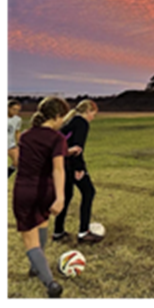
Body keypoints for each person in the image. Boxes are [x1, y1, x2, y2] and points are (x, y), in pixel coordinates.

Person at [13, 97, 70, 299]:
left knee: (30, 239)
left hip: (25, 191)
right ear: (56, 116)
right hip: (46, 191)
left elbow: (28, 160)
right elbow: (58, 169)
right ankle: (36, 268)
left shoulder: (26, 136)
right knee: (42, 224)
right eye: (62, 117)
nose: (63, 121)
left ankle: (50, 284)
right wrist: (60, 197)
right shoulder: (57, 138)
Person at [53, 100, 103, 244]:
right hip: (71, 164)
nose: (93, 117)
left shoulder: (70, 121)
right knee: (89, 192)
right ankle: (83, 232)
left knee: (67, 196)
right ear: (89, 111)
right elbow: (77, 148)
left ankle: (58, 232)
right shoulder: (81, 122)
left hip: (61, 164)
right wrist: (79, 168)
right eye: (94, 114)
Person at [5, 99, 23, 179]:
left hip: (10, 145)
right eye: (14, 109)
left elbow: (17, 132)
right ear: (7, 108)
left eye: (18, 110)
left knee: (17, 161)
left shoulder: (18, 120)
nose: (15, 112)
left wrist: (19, 143)